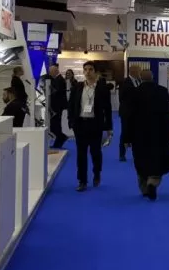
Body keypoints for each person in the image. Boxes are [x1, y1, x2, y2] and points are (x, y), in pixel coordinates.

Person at [125, 70, 169, 201]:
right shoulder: (162, 91)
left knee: (140, 160)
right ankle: (153, 181)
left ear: (140, 78)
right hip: (159, 133)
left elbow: (128, 117)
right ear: (152, 77)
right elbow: (168, 115)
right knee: (157, 160)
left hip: (138, 134)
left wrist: (127, 137)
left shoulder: (134, 93)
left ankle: (144, 188)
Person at [68, 61, 113, 192]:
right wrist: (71, 121)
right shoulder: (77, 87)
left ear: (95, 72)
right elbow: (71, 105)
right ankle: (82, 181)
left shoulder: (102, 89)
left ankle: (97, 173)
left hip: (95, 124)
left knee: (95, 152)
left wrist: (108, 127)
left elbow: (108, 109)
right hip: (80, 124)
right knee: (81, 154)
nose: (87, 72)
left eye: (90, 69)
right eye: (85, 69)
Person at [118, 65, 141, 162]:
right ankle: (122, 154)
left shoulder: (139, 81)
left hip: (137, 114)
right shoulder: (125, 82)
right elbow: (122, 98)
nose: (140, 73)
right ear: (133, 71)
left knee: (137, 134)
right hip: (127, 114)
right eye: (139, 71)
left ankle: (137, 154)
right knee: (125, 133)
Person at [47, 65, 68, 148]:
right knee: (55, 126)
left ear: (55, 71)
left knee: (54, 126)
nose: (49, 73)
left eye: (50, 72)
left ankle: (62, 137)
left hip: (57, 107)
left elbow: (57, 92)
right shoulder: (57, 79)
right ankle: (59, 141)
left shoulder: (59, 80)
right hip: (56, 106)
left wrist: (49, 89)